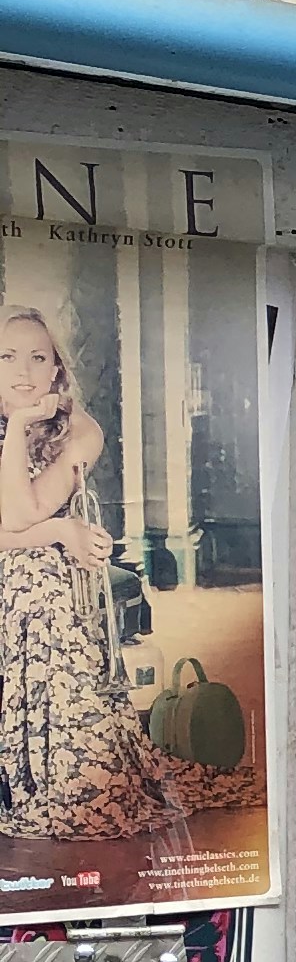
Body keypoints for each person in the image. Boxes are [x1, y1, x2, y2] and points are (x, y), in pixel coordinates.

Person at [0, 304, 185, 849]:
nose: (23, 370)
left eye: (38, 357)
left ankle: (59, 766)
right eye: (7, 355)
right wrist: (58, 532)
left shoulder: (79, 429)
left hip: (28, 582)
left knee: (37, 577)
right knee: (38, 561)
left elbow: (15, 515)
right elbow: (28, 524)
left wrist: (19, 429)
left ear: (57, 370)